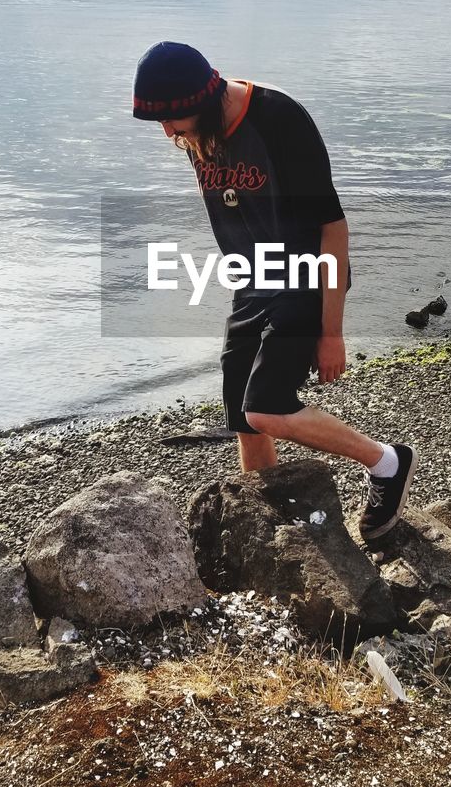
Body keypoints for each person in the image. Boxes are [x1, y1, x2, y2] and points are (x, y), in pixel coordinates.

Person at [132, 40, 417, 541]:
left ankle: (389, 463)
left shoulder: (280, 121)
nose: (167, 132)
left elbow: (334, 228)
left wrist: (332, 333)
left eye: (173, 120)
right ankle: (268, 532)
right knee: (244, 417)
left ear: (200, 102)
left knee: (265, 406)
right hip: (255, 283)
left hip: (307, 277)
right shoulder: (202, 129)